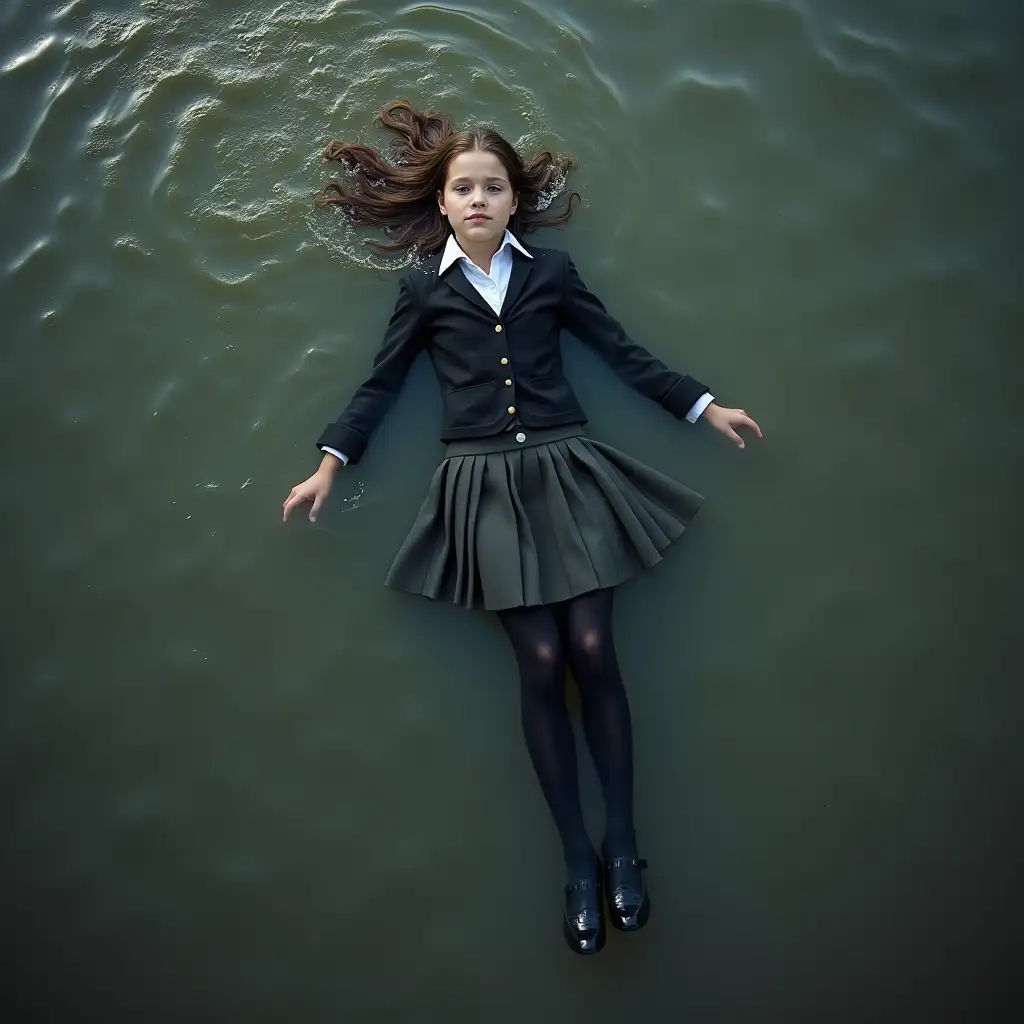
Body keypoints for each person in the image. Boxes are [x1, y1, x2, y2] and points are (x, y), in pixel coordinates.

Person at [282, 100, 763, 955]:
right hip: (480, 481)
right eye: (463, 187)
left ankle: (622, 845)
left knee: (592, 653)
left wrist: (703, 405)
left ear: (513, 201)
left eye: (492, 187)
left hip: (567, 468)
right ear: (441, 202)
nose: (477, 199)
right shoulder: (423, 290)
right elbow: (381, 386)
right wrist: (329, 462)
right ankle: (575, 859)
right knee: (540, 659)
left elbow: (621, 351)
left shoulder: (552, 275)